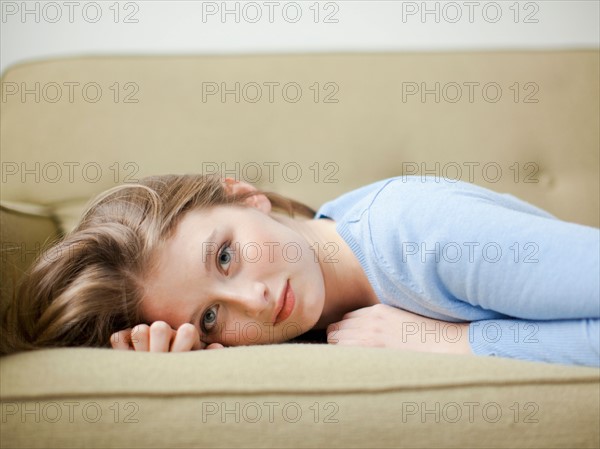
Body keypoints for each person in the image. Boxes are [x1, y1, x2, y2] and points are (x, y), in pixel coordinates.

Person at [2, 174, 598, 367]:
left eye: (225, 256)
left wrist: (455, 342)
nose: (255, 301)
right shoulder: (316, 314)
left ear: (244, 194)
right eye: (210, 315)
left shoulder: (417, 233)